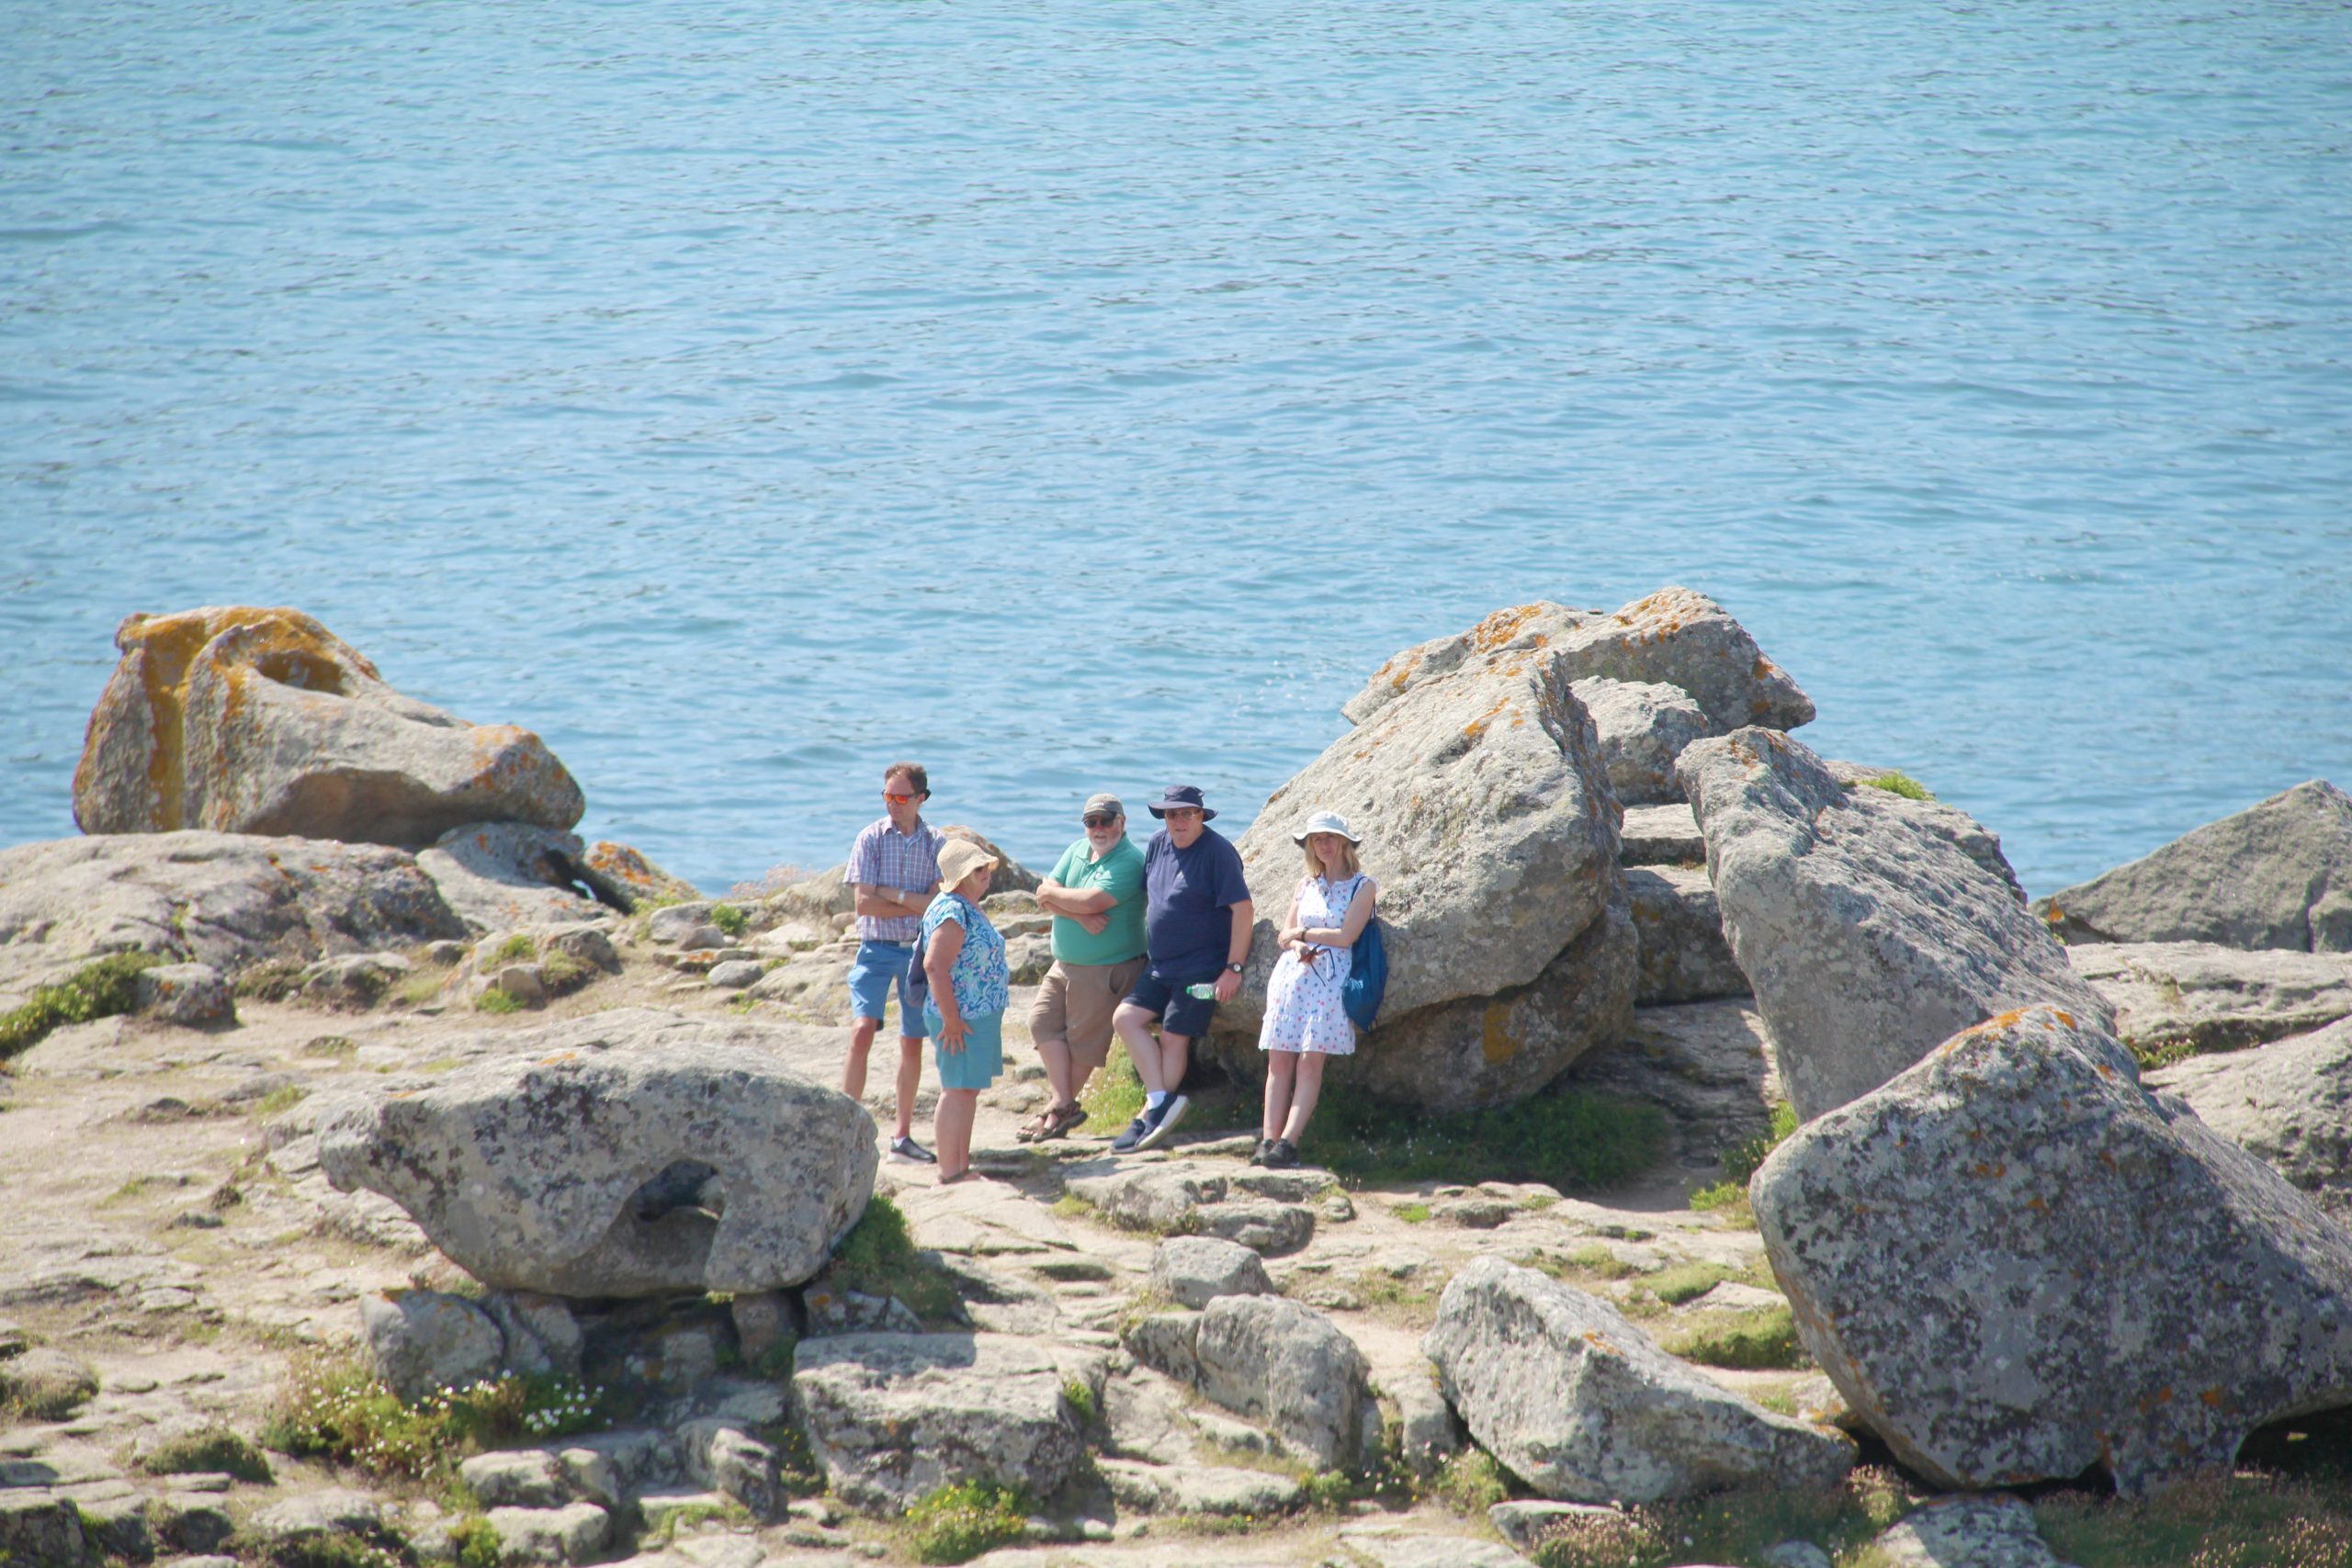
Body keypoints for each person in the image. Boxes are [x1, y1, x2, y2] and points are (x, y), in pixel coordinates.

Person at [1110, 784, 1254, 1152]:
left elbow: (1243, 910)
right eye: (1172, 814)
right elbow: (1150, 899)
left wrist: (1233, 968)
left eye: (1186, 813)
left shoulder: (1218, 853)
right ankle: (1160, 1102)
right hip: (1160, 967)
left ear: (1201, 815)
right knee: (1125, 1019)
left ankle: (1149, 1113)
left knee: (1175, 1036)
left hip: (1203, 971)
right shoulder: (1158, 844)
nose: (1178, 821)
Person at [1021, 794, 1148, 1143]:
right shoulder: (1077, 849)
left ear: (1122, 822)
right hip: (1065, 963)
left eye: (1106, 820)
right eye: (1091, 822)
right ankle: (1063, 1104)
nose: (1098, 828)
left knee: (1082, 1045)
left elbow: (1094, 900)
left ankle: (1057, 1112)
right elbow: (1043, 891)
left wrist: (1064, 901)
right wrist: (1075, 913)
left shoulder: (1130, 861)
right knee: (1040, 1022)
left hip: (1105, 969)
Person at [1255, 810, 1377, 1168]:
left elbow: (1346, 936)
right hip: (1294, 975)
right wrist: (1297, 944)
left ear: (1343, 842)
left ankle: (1289, 1143)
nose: (1323, 844)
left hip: (1331, 978)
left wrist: (1303, 935)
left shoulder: (1363, 886)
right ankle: (1267, 1140)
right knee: (1278, 1060)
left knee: (1310, 1061)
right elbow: (1284, 935)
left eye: (1329, 837)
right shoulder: (1306, 884)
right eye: (1316, 839)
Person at [842, 761, 944, 1164]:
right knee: (862, 1029)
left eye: (901, 797)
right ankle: (844, 1124)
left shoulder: (936, 842)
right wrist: (908, 899)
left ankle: (902, 1136)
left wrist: (891, 892)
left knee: (911, 1042)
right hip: (875, 948)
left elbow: (934, 904)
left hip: (917, 951)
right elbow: (862, 904)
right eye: (887, 796)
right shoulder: (870, 838)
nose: (893, 804)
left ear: (920, 799)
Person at [920, 838, 1011, 1185]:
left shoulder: (963, 904)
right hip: (960, 1017)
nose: (986, 873)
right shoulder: (952, 910)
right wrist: (952, 1021)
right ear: (959, 876)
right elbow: (935, 966)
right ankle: (950, 1170)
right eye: (977, 869)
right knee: (956, 1090)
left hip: (974, 1014)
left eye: (985, 867)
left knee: (966, 1089)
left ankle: (961, 1165)